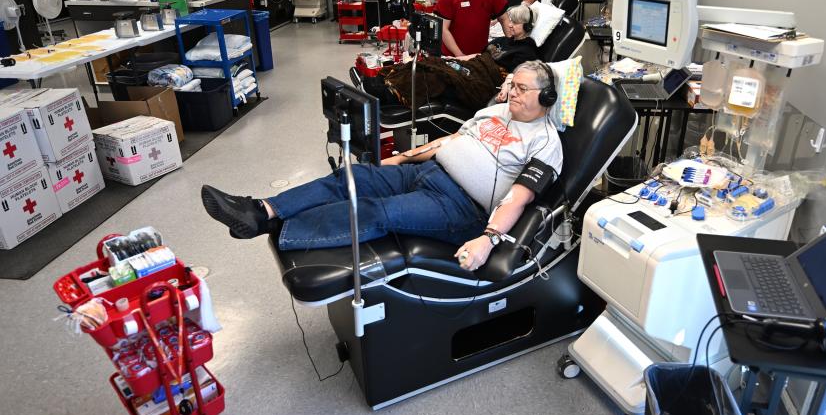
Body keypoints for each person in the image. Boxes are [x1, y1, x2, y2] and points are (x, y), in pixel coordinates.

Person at [200, 62, 562, 272]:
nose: (512, 92)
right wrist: (397, 160)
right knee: (353, 176)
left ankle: (282, 227)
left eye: (522, 88)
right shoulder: (495, 111)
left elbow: (517, 199)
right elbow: (449, 141)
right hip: (427, 171)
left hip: (460, 207)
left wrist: (487, 239)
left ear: (546, 98)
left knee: (377, 211)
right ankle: (261, 209)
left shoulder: (546, 143)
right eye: (511, 85)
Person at [367, 5, 539, 110]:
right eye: (510, 20)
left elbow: (516, 75)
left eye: (515, 23)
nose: (509, 24)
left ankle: (389, 94)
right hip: (475, 67)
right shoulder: (504, 40)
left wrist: (505, 88)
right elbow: (479, 56)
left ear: (527, 26)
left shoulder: (527, 50)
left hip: (485, 81)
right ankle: (382, 80)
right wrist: (454, 59)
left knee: (439, 76)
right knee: (432, 63)